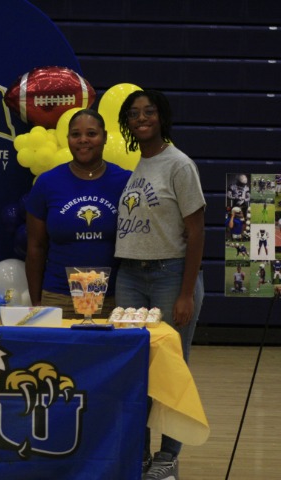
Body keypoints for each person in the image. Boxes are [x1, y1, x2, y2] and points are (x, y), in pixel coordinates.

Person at [115, 90, 205, 480]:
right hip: (130, 276)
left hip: (170, 275)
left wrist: (186, 292)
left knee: (169, 370)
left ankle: (167, 457)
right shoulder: (138, 165)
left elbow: (196, 232)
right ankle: (139, 453)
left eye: (148, 111)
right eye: (134, 113)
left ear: (161, 116)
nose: (141, 118)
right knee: (135, 368)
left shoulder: (179, 164)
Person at [25, 109, 131, 318]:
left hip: (113, 299)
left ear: (104, 137)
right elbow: (35, 247)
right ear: (68, 139)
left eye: (91, 134)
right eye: (76, 134)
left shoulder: (125, 181)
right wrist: (36, 301)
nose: (83, 140)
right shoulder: (47, 183)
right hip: (58, 297)